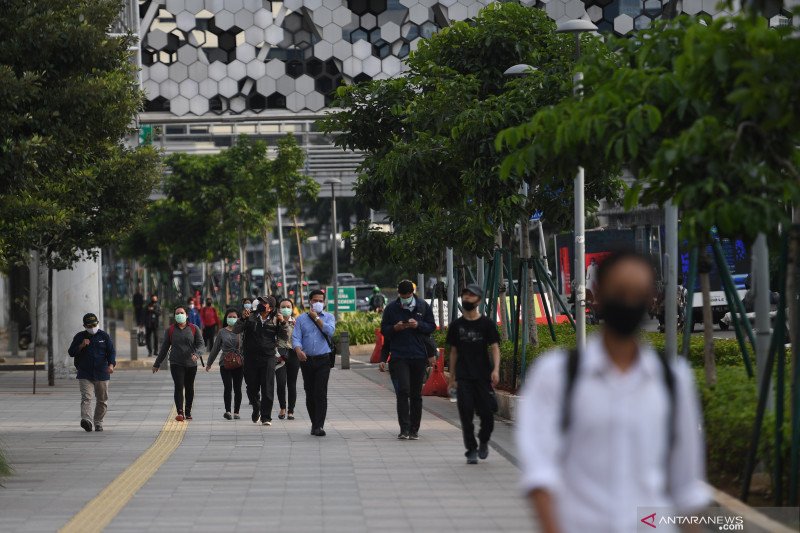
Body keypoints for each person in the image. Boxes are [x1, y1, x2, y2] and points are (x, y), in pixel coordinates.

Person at [515, 250, 709, 533]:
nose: (629, 301)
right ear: (598, 295)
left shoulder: (673, 380)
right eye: (620, 292)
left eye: (638, 293)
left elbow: (687, 487)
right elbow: (540, 473)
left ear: (651, 300)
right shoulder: (556, 375)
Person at [446, 284, 500, 464]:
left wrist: (496, 369)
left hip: (483, 376)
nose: (467, 298)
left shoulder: (486, 324)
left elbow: (494, 347)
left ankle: (483, 440)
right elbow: (453, 352)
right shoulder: (456, 325)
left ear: (478, 300)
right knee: (465, 413)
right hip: (463, 377)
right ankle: (471, 449)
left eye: (471, 295)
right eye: (465, 295)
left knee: (487, 414)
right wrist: (452, 377)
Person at [380, 279, 436, 440]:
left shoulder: (422, 306)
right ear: (399, 294)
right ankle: (404, 428)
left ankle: (414, 429)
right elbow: (385, 330)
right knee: (403, 390)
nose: (405, 298)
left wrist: (418, 325)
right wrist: (395, 328)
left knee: (416, 394)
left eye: (408, 295)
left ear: (412, 293)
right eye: (402, 295)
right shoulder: (391, 308)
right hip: (399, 356)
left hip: (419, 355)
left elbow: (431, 326)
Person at [233, 296, 289, 426]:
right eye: (261, 302)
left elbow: (285, 336)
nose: (261, 304)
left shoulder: (276, 319)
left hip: (268, 357)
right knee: (251, 388)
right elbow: (236, 330)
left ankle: (266, 417)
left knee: (267, 387)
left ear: (270, 307)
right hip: (250, 357)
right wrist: (242, 319)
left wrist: (283, 323)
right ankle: (256, 407)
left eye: (264, 303)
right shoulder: (251, 316)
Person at [292, 289, 336, 436]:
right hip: (307, 360)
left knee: (320, 392)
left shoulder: (329, 317)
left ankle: (319, 426)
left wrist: (317, 318)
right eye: (315, 300)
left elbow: (330, 331)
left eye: (321, 301)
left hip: (324, 359)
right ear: (310, 301)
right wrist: (298, 350)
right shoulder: (301, 319)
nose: (318, 303)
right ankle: (314, 423)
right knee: (310, 392)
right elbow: (296, 337)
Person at [153, 306, 204, 421]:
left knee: (189, 387)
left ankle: (188, 410)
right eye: (177, 313)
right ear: (175, 316)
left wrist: (197, 354)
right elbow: (164, 348)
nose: (179, 315)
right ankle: (180, 412)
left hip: (191, 364)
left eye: (181, 313)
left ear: (186, 315)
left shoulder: (194, 328)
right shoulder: (170, 330)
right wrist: (157, 363)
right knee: (179, 386)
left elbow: (201, 345)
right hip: (176, 363)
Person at [67, 313, 116, 432]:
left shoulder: (104, 336)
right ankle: (87, 421)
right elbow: (71, 352)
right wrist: (81, 346)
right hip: (85, 372)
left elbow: (111, 352)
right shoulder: (79, 337)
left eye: (95, 324)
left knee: (102, 400)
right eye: (90, 325)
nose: (93, 327)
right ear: (84, 326)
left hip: (102, 372)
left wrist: (111, 365)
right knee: (86, 398)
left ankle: (98, 422)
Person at [206, 309, 244, 420]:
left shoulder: (241, 331)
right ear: (226, 318)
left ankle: (236, 412)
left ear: (238, 318)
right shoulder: (222, 332)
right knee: (228, 387)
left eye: (234, 317)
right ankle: (228, 411)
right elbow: (215, 348)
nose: (232, 319)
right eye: (230, 316)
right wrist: (209, 363)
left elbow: (246, 347)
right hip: (225, 363)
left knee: (237, 388)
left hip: (239, 363)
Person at [275, 298, 299, 420]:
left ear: (292, 308)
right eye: (283, 307)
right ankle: (282, 408)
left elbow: (296, 337)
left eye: (288, 306)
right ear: (279, 309)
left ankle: (291, 411)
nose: (285, 309)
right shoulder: (275, 322)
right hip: (279, 354)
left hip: (294, 354)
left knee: (292, 383)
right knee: (280, 382)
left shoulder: (296, 322)